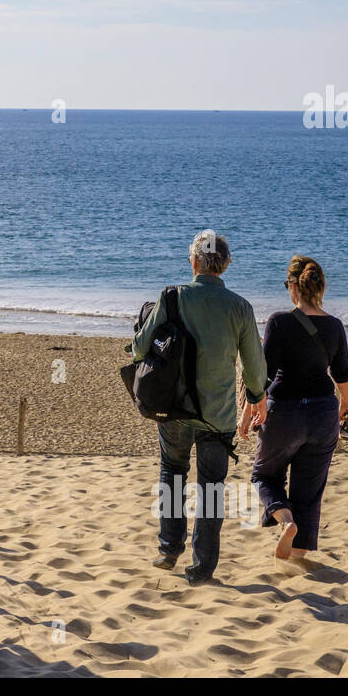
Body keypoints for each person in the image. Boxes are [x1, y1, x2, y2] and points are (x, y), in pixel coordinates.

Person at [131, 230, 267, 585]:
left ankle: (168, 548)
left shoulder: (171, 297)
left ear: (193, 262)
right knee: (211, 487)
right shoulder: (240, 307)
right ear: (226, 266)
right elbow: (255, 368)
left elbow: (140, 348)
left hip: (174, 409)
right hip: (217, 416)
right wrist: (256, 399)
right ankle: (202, 567)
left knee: (172, 472)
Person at [243, 256, 348, 562]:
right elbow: (343, 374)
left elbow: (261, 375)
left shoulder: (279, 321)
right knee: (309, 491)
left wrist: (249, 411)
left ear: (293, 287)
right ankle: (298, 560)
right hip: (323, 414)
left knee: (265, 477)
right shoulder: (334, 325)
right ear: (321, 287)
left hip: (284, 413)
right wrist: (346, 404)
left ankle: (286, 522)